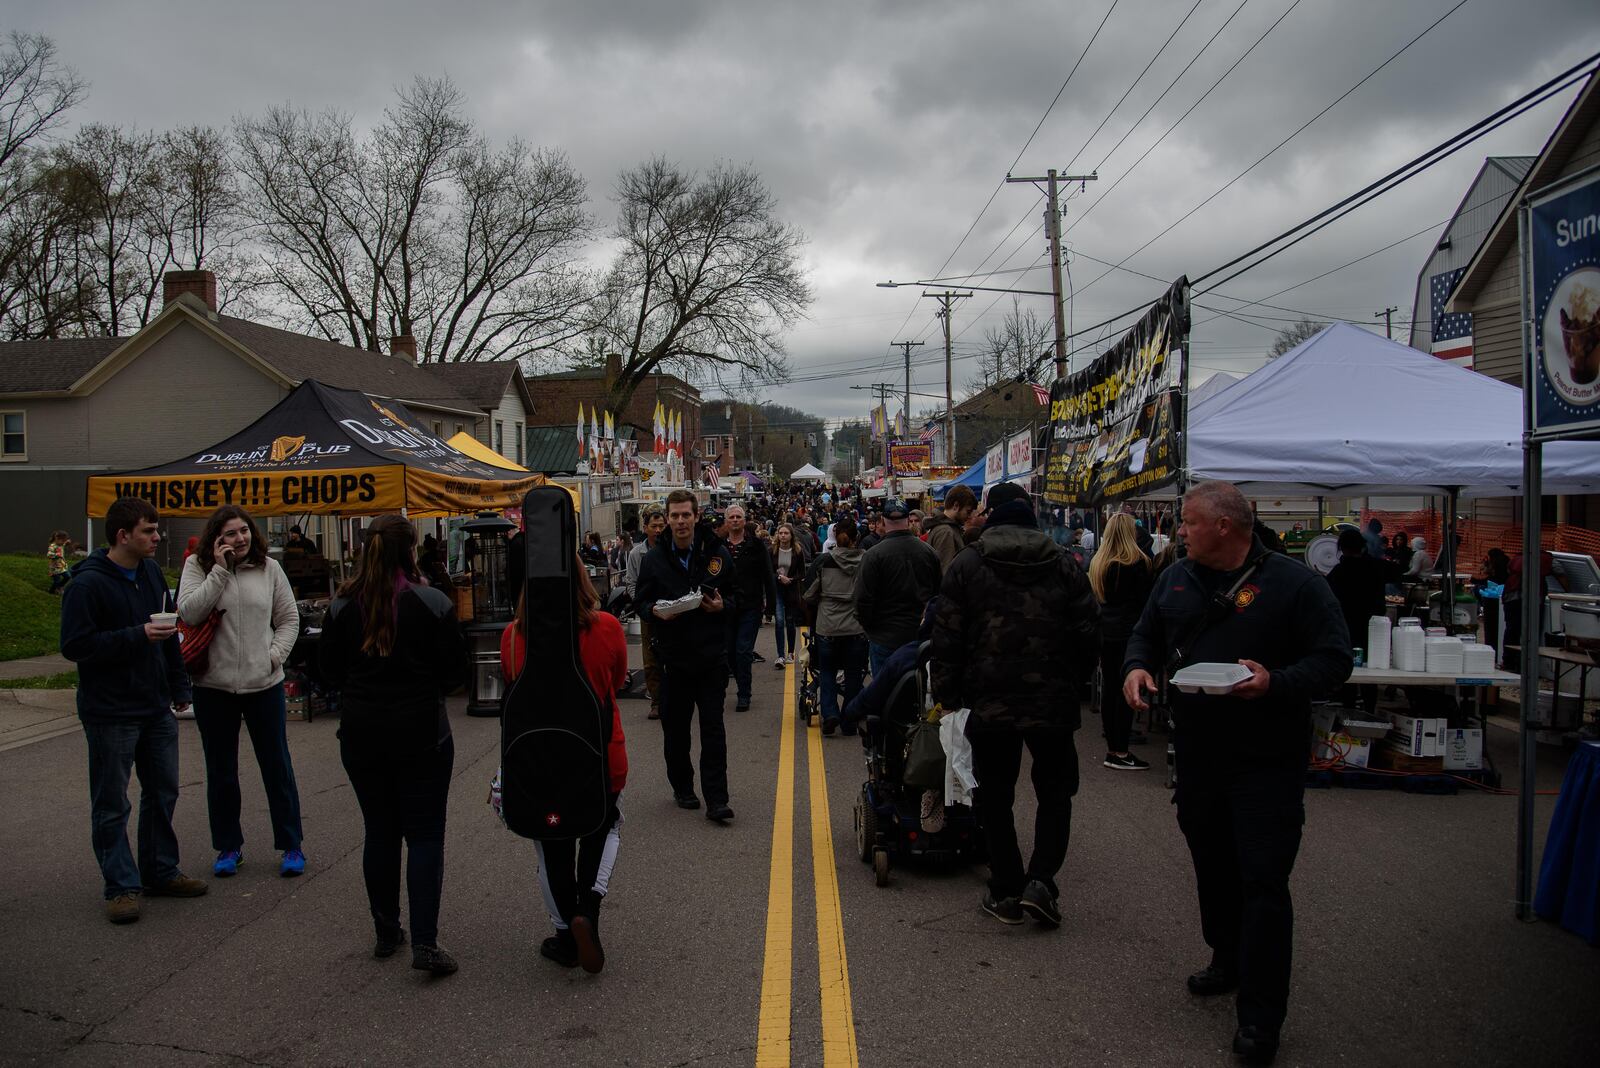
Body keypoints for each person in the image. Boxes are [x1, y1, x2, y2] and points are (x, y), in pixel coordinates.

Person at [1123, 481, 1352, 1065]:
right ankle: (1226, 956)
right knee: (1213, 865)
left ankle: (1260, 1016)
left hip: (1265, 761)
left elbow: (1333, 660)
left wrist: (1275, 681)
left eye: (1189, 521)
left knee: (1263, 883)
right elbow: (1145, 635)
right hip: (1197, 756)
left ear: (1225, 526)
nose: (1180, 530)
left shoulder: (1296, 584)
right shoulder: (1175, 576)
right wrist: (1136, 669)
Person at [931, 480, 1100, 929]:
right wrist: (1072, 679)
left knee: (994, 794)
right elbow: (1088, 633)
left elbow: (946, 636)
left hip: (990, 700)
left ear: (989, 514)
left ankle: (1006, 886)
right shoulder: (1065, 564)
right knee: (1056, 792)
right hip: (1052, 699)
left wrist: (947, 695)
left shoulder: (967, 565)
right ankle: (1041, 881)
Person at [320, 515, 466, 976]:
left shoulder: (342, 606)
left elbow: (326, 673)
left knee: (380, 832)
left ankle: (387, 930)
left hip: (362, 734)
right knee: (424, 836)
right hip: (422, 733)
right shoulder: (432, 603)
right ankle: (425, 941)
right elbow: (455, 674)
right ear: (410, 550)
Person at [60, 497, 206, 924]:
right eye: (149, 530)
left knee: (163, 791)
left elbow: (170, 631)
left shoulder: (150, 572)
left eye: (157, 529)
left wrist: (179, 685)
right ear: (123, 535)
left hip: (155, 704)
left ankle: (160, 871)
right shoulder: (87, 585)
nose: (157, 537)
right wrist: (136, 635)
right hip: (110, 711)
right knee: (111, 803)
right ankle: (121, 886)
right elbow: (75, 646)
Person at [501, 563, 628, 974]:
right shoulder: (606, 627)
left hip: (540, 761)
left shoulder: (514, 637)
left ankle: (564, 932)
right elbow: (618, 678)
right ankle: (587, 912)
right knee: (602, 827)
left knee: (551, 843)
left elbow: (511, 681)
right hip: (600, 756)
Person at [178, 505, 306, 879]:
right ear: (216, 539)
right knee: (221, 771)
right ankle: (228, 846)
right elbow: (189, 613)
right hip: (213, 687)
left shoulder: (269, 569)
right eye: (231, 534)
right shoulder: (196, 568)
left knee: (276, 765)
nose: (240, 539)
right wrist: (219, 570)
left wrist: (273, 657)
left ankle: (291, 844)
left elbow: (288, 619)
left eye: (244, 531)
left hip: (262, 684)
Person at [634, 489, 738, 823]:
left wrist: (724, 606)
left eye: (686, 515)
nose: (680, 521)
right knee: (676, 733)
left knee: (713, 731)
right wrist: (654, 611)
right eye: (674, 516)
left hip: (710, 658)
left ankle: (717, 799)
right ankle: (683, 787)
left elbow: (740, 597)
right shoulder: (654, 559)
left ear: (696, 516)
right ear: (667, 519)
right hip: (674, 661)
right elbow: (641, 602)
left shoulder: (716, 552)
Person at [1089, 513, 1154, 771]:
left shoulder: (1100, 563)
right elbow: (1145, 602)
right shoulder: (1137, 563)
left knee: (1111, 688)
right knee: (1126, 689)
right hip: (1128, 631)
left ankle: (1114, 745)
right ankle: (1120, 749)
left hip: (1107, 630)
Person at [854, 498, 942, 677]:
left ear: (884, 522)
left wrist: (870, 628)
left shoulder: (873, 556)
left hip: (884, 637)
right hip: (919, 636)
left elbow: (862, 599)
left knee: (885, 696)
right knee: (918, 693)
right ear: (908, 521)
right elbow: (939, 594)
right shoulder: (928, 552)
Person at [1324, 529, 1403, 714]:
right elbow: (1398, 573)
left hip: (1347, 627)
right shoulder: (1377, 566)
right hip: (1375, 627)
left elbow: (1326, 595)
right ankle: (1369, 709)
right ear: (1363, 545)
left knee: (1349, 670)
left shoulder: (1339, 571)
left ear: (1341, 548)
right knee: (1372, 668)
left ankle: (1349, 710)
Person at [802, 515, 867, 734]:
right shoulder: (866, 561)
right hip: (855, 626)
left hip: (828, 625)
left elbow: (809, 594)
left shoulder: (824, 561)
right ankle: (849, 720)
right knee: (853, 674)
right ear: (856, 537)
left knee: (827, 671)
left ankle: (829, 713)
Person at [721, 503, 776, 711]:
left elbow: (767, 575)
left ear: (744, 521)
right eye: (731, 517)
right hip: (726, 607)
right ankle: (738, 679)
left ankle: (744, 693)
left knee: (743, 650)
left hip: (750, 606)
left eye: (738, 517)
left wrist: (770, 605)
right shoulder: (719, 547)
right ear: (726, 522)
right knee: (730, 652)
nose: (735, 520)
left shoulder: (756, 545)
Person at [625, 507, 667, 720]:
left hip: (671, 610)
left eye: (661, 526)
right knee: (650, 659)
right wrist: (642, 605)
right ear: (645, 528)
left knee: (673, 656)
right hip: (648, 612)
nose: (658, 530)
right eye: (654, 526)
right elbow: (631, 583)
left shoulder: (672, 549)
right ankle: (657, 702)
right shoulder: (636, 553)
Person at [770, 522, 808, 667]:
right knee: (779, 621)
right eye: (781, 533)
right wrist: (779, 577)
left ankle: (791, 652)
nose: (783, 536)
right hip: (777, 589)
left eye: (786, 533)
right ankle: (780, 655)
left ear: (791, 535)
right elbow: (768, 572)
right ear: (777, 535)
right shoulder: (772, 550)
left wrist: (791, 579)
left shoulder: (798, 551)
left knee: (790, 621)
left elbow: (802, 573)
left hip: (792, 590)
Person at [924, 485, 977, 572]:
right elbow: (945, 571)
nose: (970, 516)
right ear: (956, 506)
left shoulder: (947, 528)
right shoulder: (945, 531)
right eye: (968, 511)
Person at [47, 528, 70, 594]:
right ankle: (52, 591)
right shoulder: (52, 546)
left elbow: (63, 544)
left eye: (64, 541)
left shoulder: (61, 544)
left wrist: (67, 542)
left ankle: (59, 587)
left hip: (62, 566)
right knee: (56, 581)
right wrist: (56, 555)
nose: (63, 542)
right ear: (57, 539)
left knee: (67, 576)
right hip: (55, 567)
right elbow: (49, 554)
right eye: (63, 541)